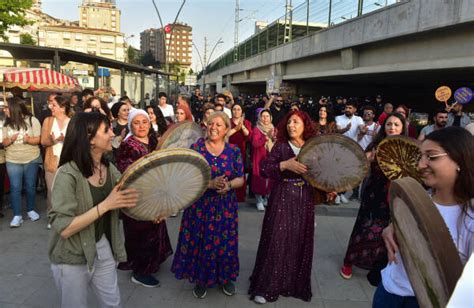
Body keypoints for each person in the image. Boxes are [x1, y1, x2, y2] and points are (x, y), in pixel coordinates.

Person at [374, 126, 473, 307]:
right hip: (389, 291)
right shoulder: (415, 199)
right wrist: (392, 226)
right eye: (421, 157)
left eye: (432, 157)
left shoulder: (470, 218)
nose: (420, 165)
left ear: (460, 159)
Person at [48, 112, 139, 308]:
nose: (112, 133)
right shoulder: (67, 174)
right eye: (106, 130)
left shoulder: (109, 168)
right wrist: (106, 204)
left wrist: (154, 210)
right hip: (72, 255)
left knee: (113, 303)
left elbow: (128, 196)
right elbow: (64, 228)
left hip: (101, 245)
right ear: (90, 140)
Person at [171, 112, 244, 299]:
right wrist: (209, 184)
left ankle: (225, 278)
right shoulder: (196, 148)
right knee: (200, 240)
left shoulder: (233, 151)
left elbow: (241, 179)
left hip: (225, 207)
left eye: (219, 125)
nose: (214, 127)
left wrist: (228, 185)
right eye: (211, 123)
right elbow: (187, 178)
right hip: (200, 205)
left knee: (224, 242)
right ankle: (200, 279)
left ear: (226, 129)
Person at [248, 110, 317, 304]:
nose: (291, 126)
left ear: (305, 125)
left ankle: (292, 284)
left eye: (295, 122)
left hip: (305, 200)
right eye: (288, 123)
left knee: (299, 239)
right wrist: (284, 165)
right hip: (282, 197)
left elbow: (322, 172)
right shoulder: (281, 146)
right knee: (276, 239)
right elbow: (263, 168)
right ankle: (266, 286)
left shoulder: (313, 147)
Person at [340, 113, 407, 281]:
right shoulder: (375, 145)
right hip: (373, 194)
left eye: (396, 125)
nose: (392, 127)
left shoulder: (408, 148)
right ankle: (349, 262)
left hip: (395, 197)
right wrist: (369, 159)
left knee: (388, 232)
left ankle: (380, 265)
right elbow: (359, 165)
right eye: (389, 124)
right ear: (383, 127)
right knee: (363, 228)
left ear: (403, 128)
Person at [115, 109, 173, 287]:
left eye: (144, 122)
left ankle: (152, 261)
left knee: (155, 227)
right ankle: (140, 271)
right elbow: (126, 172)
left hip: (156, 192)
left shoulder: (155, 140)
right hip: (138, 196)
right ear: (131, 125)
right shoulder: (128, 145)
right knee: (141, 232)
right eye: (137, 123)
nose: (141, 126)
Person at [3, 97, 42, 228]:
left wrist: (28, 139)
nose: (4, 109)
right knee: (15, 188)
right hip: (12, 159)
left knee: (30, 186)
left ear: (14, 108)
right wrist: (11, 139)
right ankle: (17, 215)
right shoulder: (6, 123)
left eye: (7, 107)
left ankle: (31, 209)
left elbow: (38, 139)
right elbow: (3, 142)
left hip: (31, 158)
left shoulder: (32, 120)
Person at [41, 96, 71, 226]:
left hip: (68, 160)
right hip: (52, 160)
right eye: (50, 105)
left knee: (67, 190)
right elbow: (43, 142)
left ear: (63, 108)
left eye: (54, 105)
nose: (51, 108)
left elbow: (77, 142)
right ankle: (52, 216)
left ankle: (66, 215)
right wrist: (53, 140)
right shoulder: (48, 121)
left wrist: (66, 140)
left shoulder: (72, 122)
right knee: (51, 190)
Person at [250, 109, 275, 211]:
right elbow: (255, 144)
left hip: (270, 157)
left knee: (269, 178)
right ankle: (259, 200)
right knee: (259, 178)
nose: (265, 118)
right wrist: (265, 138)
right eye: (263, 116)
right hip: (259, 157)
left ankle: (266, 198)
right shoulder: (257, 129)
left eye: (267, 116)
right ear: (260, 118)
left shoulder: (273, 128)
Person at [228, 103, 252, 203]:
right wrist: (236, 128)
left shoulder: (246, 122)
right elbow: (225, 135)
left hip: (241, 150)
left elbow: (249, 136)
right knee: (229, 171)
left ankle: (240, 195)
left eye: (238, 109)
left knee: (239, 171)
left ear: (242, 112)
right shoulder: (228, 122)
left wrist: (241, 126)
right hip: (229, 149)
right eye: (234, 109)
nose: (236, 111)